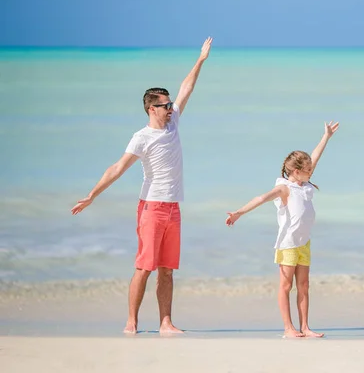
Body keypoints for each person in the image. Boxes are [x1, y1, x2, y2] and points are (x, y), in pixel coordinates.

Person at [70, 37, 213, 334]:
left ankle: (165, 323)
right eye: (165, 105)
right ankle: (131, 322)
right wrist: (92, 195)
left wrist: (200, 60)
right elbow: (118, 167)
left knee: (167, 270)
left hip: (174, 208)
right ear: (151, 108)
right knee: (144, 266)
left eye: (171, 103)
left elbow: (188, 88)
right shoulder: (141, 137)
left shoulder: (174, 124)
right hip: (151, 208)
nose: (171, 108)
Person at [225, 121, 340, 338]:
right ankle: (289, 328)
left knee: (304, 285)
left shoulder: (303, 183)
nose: (311, 171)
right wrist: (239, 212)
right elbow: (261, 198)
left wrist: (326, 137)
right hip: (288, 244)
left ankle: (305, 327)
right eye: (308, 170)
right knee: (286, 285)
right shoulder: (284, 188)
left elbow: (315, 157)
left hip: (304, 242)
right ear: (296, 171)